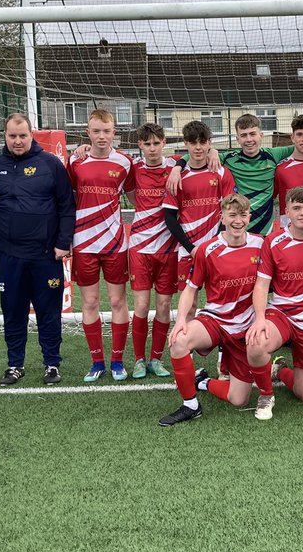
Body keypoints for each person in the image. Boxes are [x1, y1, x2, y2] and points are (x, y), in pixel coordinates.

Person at [160, 194, 275, 426]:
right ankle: (191, 405)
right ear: (222, 217)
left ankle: (203, 382)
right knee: (179, 340)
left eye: (243, 215)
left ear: (249, 217)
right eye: (232, 215)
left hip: (246, 328)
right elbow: (191, 289)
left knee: (238, 399)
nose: (238, 220)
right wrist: (181, 319)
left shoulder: (262, 245)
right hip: (216, 320)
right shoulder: (207, 249)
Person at [0, 113, 75, 386]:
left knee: (48, 311)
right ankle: (15, 365)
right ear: (5, 136)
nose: (17, 141)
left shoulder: (50, 164)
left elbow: (66, 205)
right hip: (9, 256)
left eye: (22, 135)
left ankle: (51, 364)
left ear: (31, 134)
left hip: (45, 254)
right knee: (13, 311)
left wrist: (63, 242)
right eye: (12, 136)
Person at [166, 112, 303, 237]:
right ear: (237, 139)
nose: (249, 139)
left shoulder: (273, 155)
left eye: (253, 134)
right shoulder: (229, 158)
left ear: (261, 135)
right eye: (244, 135)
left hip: (265, 231)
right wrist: (177, 168)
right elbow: (198, 153)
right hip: (239, 226)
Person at [247, 186, 303, 408]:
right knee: (256, 345)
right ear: (286, 211)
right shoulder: (274, 242)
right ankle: (266, 395)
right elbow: (261, 284)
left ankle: (281, 370)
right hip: (282, 314)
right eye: (297, 208)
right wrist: (259, 318)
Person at [66, 110, 134, 383]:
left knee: (118, 301)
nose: (102, 136)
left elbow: (137, 199)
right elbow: (67, 198)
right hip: (84, 243)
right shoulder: (75, 161)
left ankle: (117, 361)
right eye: (96, 131)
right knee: (90, 302)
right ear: (88, 132)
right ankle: (97, 362)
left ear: (114, 132)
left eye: (107, 131)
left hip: (115, 243)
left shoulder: (125, 163)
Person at [126, 122, 178, 379]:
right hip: (140, 247)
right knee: (142, 307)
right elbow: (131, 195)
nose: (152, 148)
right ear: (140, 145)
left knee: (164, 305)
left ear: (164, 143)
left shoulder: (176, 166)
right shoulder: (133, 168)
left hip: (169, 247)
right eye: (147, 144)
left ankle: (156, 359)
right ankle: (138, 359)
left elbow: (201, 152)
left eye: (157, 143)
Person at [162, 121, 238, 288]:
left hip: (217, 247)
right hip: (188, 249)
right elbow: (169, 216)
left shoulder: (221, 172)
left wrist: (216, 243)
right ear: (185, 143)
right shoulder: (177, 175)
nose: (198, 147)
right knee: (189, 303)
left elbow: (231, 211)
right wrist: (190, 248)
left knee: (219, 298)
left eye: (202, 142)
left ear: (209, 143)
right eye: (193, 142)